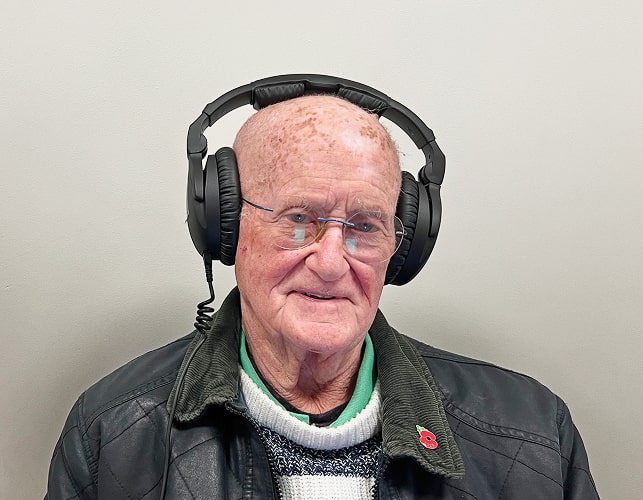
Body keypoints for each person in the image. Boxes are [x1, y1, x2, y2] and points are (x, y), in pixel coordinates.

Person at [46, 79, 599, 499]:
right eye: (298, 220)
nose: (332, 263)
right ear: (227, 228)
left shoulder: (534, 436)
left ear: (402, 247)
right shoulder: (109, 436)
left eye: (365, 226)